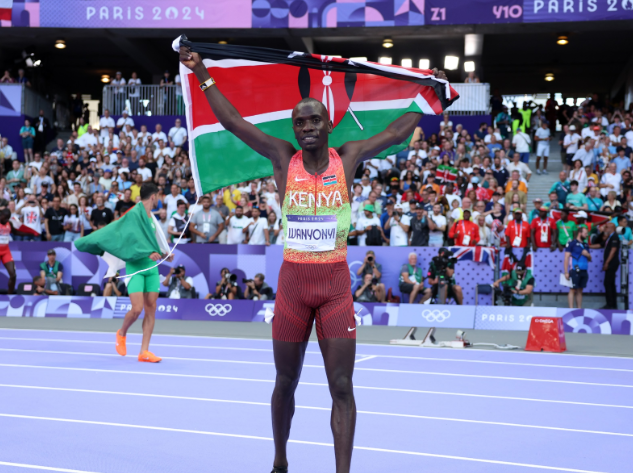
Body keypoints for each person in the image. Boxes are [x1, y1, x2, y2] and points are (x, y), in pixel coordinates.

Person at [180, 45, 449, 473]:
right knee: (285, 382)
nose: (306, 127)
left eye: (313, 121)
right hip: (293, 287)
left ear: (328, 124)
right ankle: (280, 462)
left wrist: (428, 94)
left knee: (341, 386)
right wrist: (202, 72)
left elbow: (398, 132)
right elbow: (232, 122)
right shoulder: (282, 157)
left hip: (335, 288)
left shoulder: (351, 156)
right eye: (299, 122)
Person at [94, 183, 174, 362]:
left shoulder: (152, 219)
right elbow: (129, 245)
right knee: (137, 309)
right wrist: (148, 253)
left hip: (151, 268)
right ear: (154, 197)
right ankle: (121, 333)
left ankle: (144, 351)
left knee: (151, 309)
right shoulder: (132, 217)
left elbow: (153, 245)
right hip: (135, 267)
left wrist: (163, 255)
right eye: (158, 197)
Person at [591, 222, 620, 309]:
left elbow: (613, 250)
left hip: (612, 263)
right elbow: (600, 245)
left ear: (612, 228)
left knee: (607, 283)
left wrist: (607, 263)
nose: (605, 229)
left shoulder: (614, 237)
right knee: (610, 283)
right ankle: (612, 304)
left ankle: (610, 304)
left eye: (607, 227)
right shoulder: (609, 238)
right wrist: (588, 246)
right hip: (610, 263)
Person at [564, 226, 591, 309]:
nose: (586, 235)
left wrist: (588, 255)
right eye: (585, 233)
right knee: (572, 289)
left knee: (580, 290)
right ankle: (571, 308)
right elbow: (566, 258)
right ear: (580, 233)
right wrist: (566, 272)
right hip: (575, 269)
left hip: (584, 270)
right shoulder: (572, 244)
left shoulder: (585, 244)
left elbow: (590, 259)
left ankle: (579, 309)